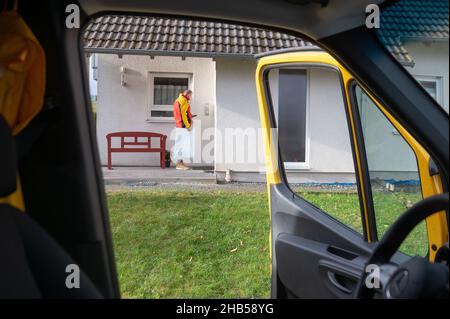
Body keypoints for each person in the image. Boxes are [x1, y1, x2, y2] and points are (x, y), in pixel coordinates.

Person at [172, 89, 193, 170]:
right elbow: (183, 114)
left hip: (179, 124)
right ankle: (179, 164)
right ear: (188, 94)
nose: (191, 97)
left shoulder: (178, 100)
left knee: (180, 144)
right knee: (182, 145)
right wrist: (187, 125)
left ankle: (180, 163)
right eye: (191, 95)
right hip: (182, 125)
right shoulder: (184, 100)